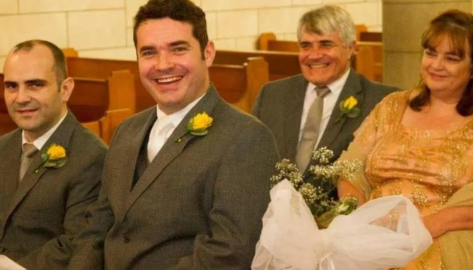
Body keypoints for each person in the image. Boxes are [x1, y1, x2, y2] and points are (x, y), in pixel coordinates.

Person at [68, 0, 279, 269]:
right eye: (148, 53)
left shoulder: (246, 138)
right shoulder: (126, 130)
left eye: (178, 49)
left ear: (208, 53)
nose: (163, 65)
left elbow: (230, 251)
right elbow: (98, 224)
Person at [337, 10, 473, 269]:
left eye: (451, 58)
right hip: (372, 235)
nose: (435, 65)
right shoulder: (392, 105)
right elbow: (350, 169)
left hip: (444, 238)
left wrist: (421, 230)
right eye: (430, 53)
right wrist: (359, 220)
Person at [252, 5, 397, 187]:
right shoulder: (272, 95)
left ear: (351, 47)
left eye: (326, 44)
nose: (314, 55)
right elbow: (249, 159)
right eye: (306, 46)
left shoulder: (381, 101)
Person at [0, 40, 107, 270]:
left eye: (35, 85)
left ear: (65, 89)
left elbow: (77, 243)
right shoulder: (2, 147)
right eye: (11, 86)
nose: (20, 98)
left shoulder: (93, 157)